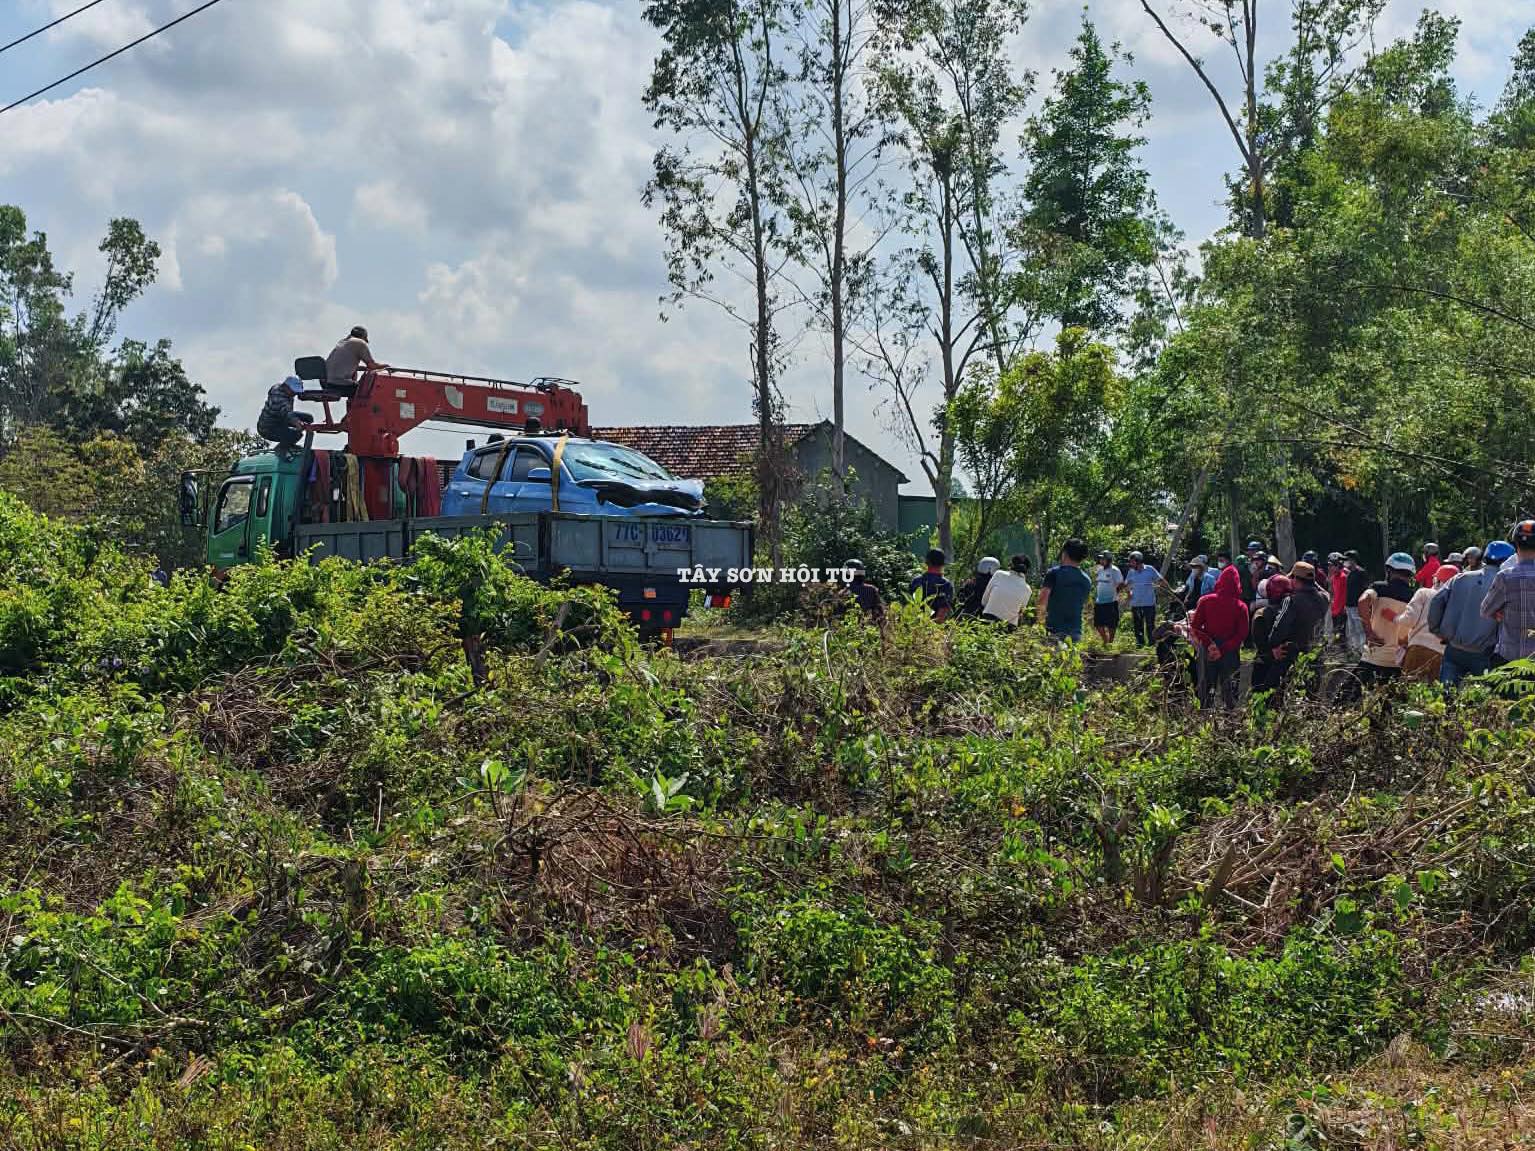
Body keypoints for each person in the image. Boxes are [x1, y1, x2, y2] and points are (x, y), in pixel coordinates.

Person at [1429, 544, 1504, 687]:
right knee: (1480, 700)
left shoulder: (1460, 578)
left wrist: (1437, 630)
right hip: (1483, 653)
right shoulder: (1504, 583)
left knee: (1447, 696)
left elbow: (1437, 601)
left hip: (1454, 648)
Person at [1189, 564, 1250, 709]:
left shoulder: (1205, 600)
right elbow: (1242, 634)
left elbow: (1195, 627)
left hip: (1208, 648)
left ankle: (1203, 720)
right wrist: (1222, 649)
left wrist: (1210, 644)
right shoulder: (1240, 606)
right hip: (1229, 650)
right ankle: (1231, 722)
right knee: (1230, 690)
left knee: (1206, 687)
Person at [1267, 560, 1332, 687]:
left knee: (1271, 692)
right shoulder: (1324, 599)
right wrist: (1312, 580)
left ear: (1296, 579)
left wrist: (1272, 644)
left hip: (1290, 655)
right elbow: (1323, 591)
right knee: (1311, 694)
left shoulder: (1291, 600)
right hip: (1315, 655)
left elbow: (1280, 626)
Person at [1355, 552, 1417, 685]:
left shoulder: (1379, 587)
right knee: (1387, 703)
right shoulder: (1414, 597)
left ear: (1389, 570)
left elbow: (1362, 601)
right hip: (1397, 663)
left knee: (1346, 698)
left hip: (1373, 658)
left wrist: (1369, 631)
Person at [1480, 521, 1535, 666]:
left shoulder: (1504, 577)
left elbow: (1485, 611)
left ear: (1516, 545)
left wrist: (1499, 612)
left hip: (1508, 659)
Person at [1397, 563, 1458, 681]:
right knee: (1432, 694)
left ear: (1437, 580)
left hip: (1418, 647)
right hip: (1441, 654)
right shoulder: (1458, 603)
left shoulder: (1424, 593)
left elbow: (1409, 620)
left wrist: (1395, 618)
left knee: (1408, 689)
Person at [1037, 539, 1094, 643]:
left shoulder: (1054, 573)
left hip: (1053, 630)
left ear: (1064, 553)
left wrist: (1039, 623)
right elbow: (1085, 606)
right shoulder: (1086, 580)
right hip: (1075, 633)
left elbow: (1043, 599)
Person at [1249, 573, 1292, 692]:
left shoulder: (1261, 614)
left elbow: (1258, 641)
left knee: (1260, 698)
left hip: (1263, 663)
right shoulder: (1294, 613)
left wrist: (1269, 652)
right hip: (1286, 663)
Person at [256, 375, 312, 453]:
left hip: (281, 418)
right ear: (286, 387)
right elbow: (286, 412)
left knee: (309, 418)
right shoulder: (278, 396)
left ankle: (288, 444)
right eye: (293, 391)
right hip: (268, 427)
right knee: (295, 435)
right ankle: (280, 450)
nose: (294, 394)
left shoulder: (285, 389)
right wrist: (297, 422)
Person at [324, 325, 390, 386]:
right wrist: (387, 367)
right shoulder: (360, 343)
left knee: (356, 376)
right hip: (338, 383)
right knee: (366, 387)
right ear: (363, 337)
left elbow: (342, 365)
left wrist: (364, 368)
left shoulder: (342, 342)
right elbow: (372, 366)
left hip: (326, 382)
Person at [1121, 551, 1161, 646]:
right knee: (1138, 625)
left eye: (1132, 562)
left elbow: (1160, 580)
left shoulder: (1150, 569)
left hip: (1149, 603)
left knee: (1150, 625)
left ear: (1138, 561)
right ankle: (1140, 644)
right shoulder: (1131, 572)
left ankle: (1152, 644)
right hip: (1136, 603)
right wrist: (1128, 592)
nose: (1130, 564)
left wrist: (1170, 590)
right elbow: (1126, 584)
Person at [981, 554, 1032, 626]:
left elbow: (984, 601)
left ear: (1011, 564)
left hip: (988, 619)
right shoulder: (1028, 590)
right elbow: (1021, 612)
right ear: (1027, 570)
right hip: (1009, 626)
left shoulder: (999, 574)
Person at [909, 548, 955, 621]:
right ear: (943, 564)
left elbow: (909, 606)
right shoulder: (946, 584)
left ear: (927, 562)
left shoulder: (916, 581)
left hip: (915, 625)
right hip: (934, 628)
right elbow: (942, 613)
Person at [1093, 552, 1124, 643]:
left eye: (1103, 559)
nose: (1101, 561)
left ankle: (1110, 642)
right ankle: (1105, 640)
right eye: (1100, 559)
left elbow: (1121, 583)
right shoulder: (1099, 570)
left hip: (1111, 601)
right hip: (1099, 601)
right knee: (1098, 624)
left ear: (1109, 560)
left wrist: (1116, 592)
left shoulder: (1115, 570)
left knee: (1112, 624)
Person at [1344, 551, 1370, 655]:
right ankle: (1355, 651)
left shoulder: (1361, 572)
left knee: (1360, 629)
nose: (1346, 562)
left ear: (1353, 560)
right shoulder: (1350, 573)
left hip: (1357, 606)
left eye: (1347, 559)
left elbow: (1365, 589)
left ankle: (1362, 651)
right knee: (1352, 630)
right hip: (1349, 606)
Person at [1327, 553, 1348, 646]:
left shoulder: (1343, 577)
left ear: (1337, 565)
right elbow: (1333, 593)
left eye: (1331, 566)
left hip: (1341, 609)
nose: (1329, 568)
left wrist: (1344, 607)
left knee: (1341, 632)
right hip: (1335, 608)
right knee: (1336, 631)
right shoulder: (1333, 578)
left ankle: (1343, 651)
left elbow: (1346, 593)